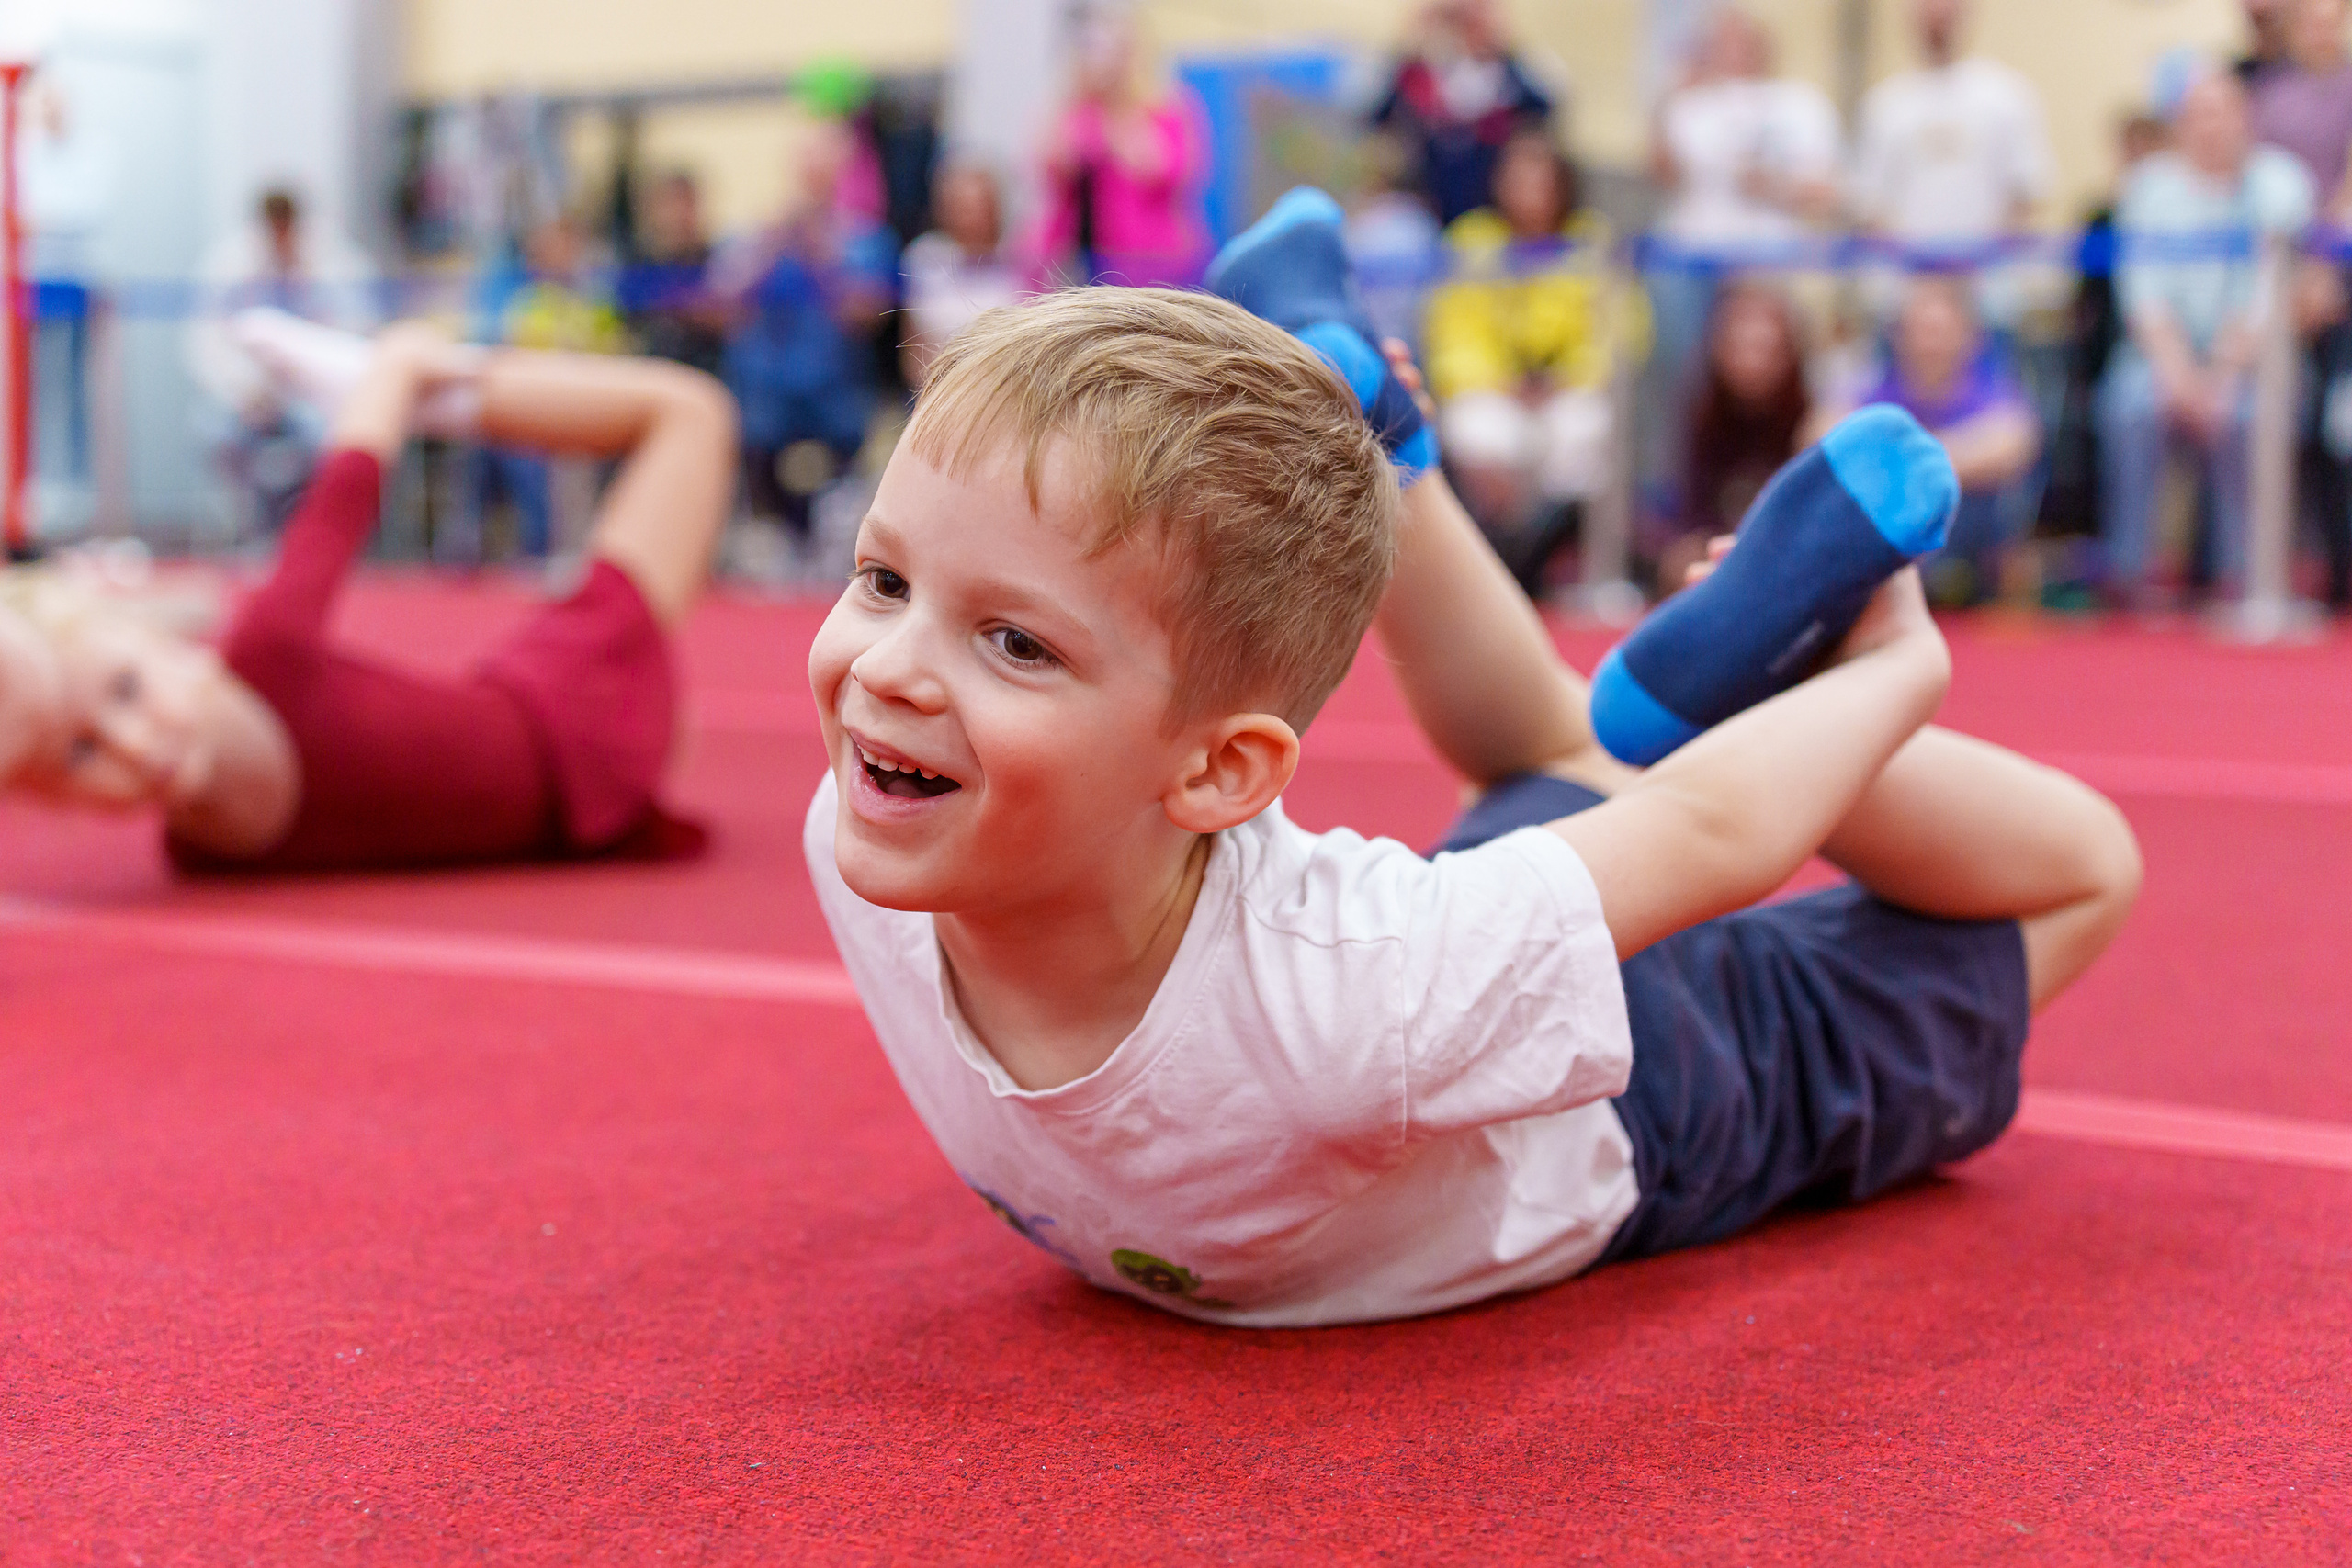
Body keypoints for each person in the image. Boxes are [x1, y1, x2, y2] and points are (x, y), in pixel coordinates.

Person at [793, 217, 2139, 1326]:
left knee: (2083, 878)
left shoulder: (1351, 998)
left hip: (1660, 1092)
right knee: (1553, 753)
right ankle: (1369, 428)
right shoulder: (877, 815)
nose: (891, 671)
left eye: (1013, 641)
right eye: (883, 576)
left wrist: (1884, 674)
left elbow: (1720, 827)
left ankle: (1783, 674)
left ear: (1219, 772)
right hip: (1462, 936)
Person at [0, 312, 735, 871]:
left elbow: (344, 496)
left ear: (166, 646)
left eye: (127, 689)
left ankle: (435, 394)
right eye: (80, 756)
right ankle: (416, 384)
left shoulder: (266, 657)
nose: (134, 744)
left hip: (567, 704)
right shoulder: (197, 853)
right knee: (690, 417)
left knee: (690, 410)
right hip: (568, 749)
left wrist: (391, 377)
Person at [2098, 67, 2314, 606]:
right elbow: (2142, 296)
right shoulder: (2150, 187)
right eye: (2198, 116)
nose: (2212, 128)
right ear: (2180, 126)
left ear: (2246, 119)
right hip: (2163, 359)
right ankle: (2130, 577)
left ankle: (2245, 579)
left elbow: (2273, 296)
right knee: (2129, 406)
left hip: (2251, 361)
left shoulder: (2279, 183)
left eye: (2223, 113)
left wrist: (2218, 378)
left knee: (2249, 416)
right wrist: (2182, 378)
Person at [1423, 129, 1642, 594]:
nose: (1529, 192)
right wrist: (1499, 382)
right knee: (1481, 434)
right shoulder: (1472, 240)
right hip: (1493, 390)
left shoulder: (1591, 240)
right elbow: (1451, 333)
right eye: (1518, 179)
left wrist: (1567, 380)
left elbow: (1621, 332)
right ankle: (1496, 572)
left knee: (1582, 433)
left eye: (1541, 179)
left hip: (1570, 392)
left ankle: (1561, 566)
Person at [1642, 9, 1840, 502]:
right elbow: (1660, 170)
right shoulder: (1693, 105)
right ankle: (1684, 498)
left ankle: (1797, 489)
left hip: (1772, 269)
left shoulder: (1798, 105)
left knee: (1787, 389)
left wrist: (1769, 185)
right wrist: (1671, 92)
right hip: (1696, 270)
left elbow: (1826, 190)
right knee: (1690, 389)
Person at [710, 122, 898, 550]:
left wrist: (822, 258)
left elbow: (867, 317)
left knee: (838, 510)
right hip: (764, 403)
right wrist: (768, 250)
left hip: (837, 400)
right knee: (770, 522)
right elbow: (722, 309)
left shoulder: (865, 240)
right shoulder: (755, 236)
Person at [1817, 274, 2041, 605]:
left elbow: (2016, 443)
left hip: (1971, 542)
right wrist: (1949, 455)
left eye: (1941, 331)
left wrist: (1889, 459)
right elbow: (1818, 437)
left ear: (1972, 336)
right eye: (1920, 329)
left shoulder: (1992, 389)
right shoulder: (1873, 384)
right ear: (1897, 335)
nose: (1930, 343)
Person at [187, 188, 380, 536]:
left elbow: (358, 336)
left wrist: (311, 386)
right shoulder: (228, 266)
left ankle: (319, 533)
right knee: (214, 433)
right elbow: (204, 347)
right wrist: (243, 391)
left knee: (334, 441)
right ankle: (250, 535)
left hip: (313, 401)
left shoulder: (335, 263)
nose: (280, 237)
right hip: (246, 401)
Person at [2252, 0, 2352, 608]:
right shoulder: (2269, 91)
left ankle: (2342, 571)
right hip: (2276, 282)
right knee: (2287, 424)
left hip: (2337, 279)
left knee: (2336, 426)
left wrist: (2323, 272)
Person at [1029, 8, 1212, 288]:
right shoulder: (1077, 109)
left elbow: (1169, 172)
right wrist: (1076, 99)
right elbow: (1051, 168)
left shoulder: (1166, 110)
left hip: (1148, 258)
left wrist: (1119, 112)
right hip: (1078, 254)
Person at [1672, 279, 1812, 590]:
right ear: (1720, 350)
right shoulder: (1703, 413)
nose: (1753, 363)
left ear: (1786, 352)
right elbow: (1692, 511)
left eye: (1763, 348)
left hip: (1785, 551)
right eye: (1742, 348)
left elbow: (1809, 516)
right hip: (1719, 549)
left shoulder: (1807, 416)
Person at [1370, 0, 1558, 227]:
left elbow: (1547, 106)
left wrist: (1500, 45)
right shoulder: (1419, 76)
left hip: (1495, 217)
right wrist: (1413, 42)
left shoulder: (1507, 75)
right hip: (1429, 208)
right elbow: (1376, 113)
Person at [899, 162, 1023, 389]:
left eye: (980, 207)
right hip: (937, 391)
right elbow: (912, 350)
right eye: (963, 208)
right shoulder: (924, 257)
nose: (972, 218)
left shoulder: (1021, 262)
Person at [623, 170, 727, 380]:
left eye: (686, 204)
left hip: (706, 373)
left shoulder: (715, 261)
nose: (679, 214)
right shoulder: (637, 261)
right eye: (671, 204)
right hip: (650, 373)